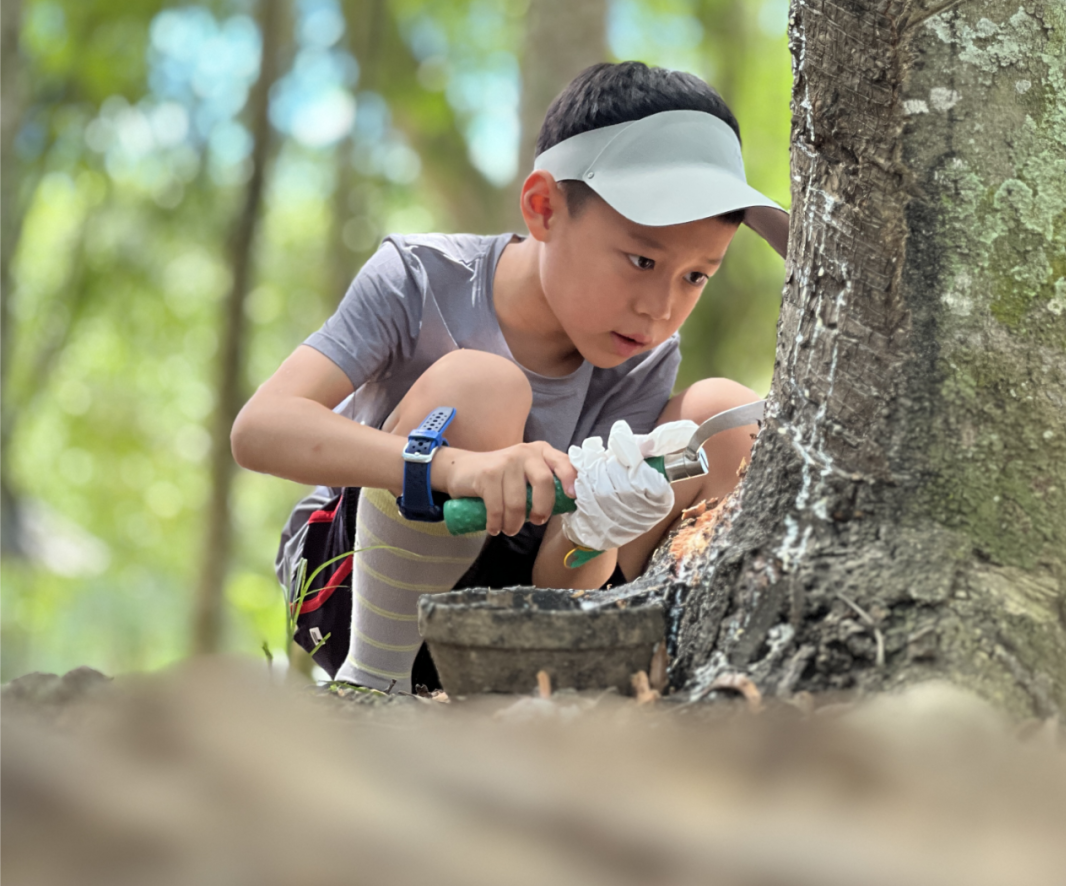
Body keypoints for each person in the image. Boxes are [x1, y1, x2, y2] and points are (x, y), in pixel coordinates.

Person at [233, 61, 788, 693]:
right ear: (544, 208)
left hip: (517, 612)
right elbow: (260, 429)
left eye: (696, 277)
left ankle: (559, 695)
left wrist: (592, 528)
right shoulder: (420, 279)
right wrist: (452, 469)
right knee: (482, 387)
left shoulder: (644, 354)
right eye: (641, 259)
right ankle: (372, 690)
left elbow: (562, 577)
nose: (660, 308)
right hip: (355, 583)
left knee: (723, 418)